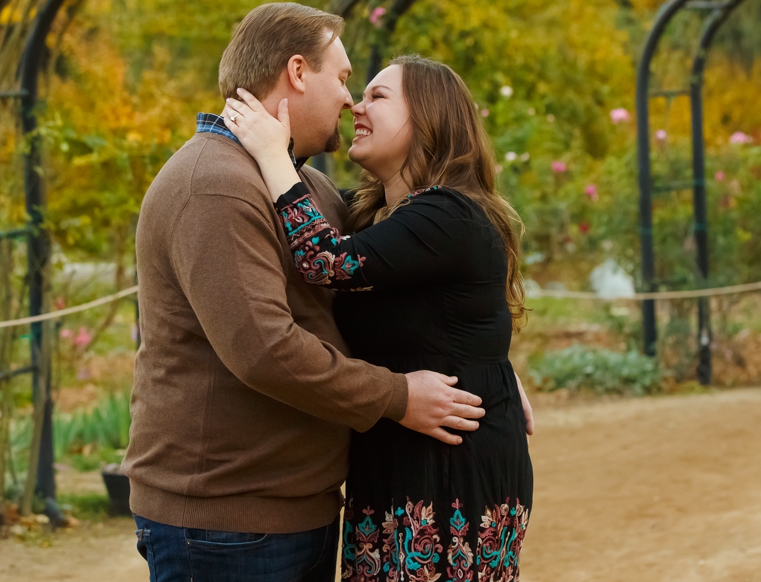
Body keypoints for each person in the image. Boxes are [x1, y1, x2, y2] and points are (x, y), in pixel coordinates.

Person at [122, 3, 488, 582]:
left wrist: (479, 360)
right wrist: (398, 396)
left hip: (295, 510)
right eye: (342, 78)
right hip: (226, 524)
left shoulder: (303, 184)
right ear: (296, 72)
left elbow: (382, 287)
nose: (350, 100)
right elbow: (265, 348)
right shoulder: (215, 184)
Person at [223, 53, 535, 582]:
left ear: (430, 117)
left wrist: (274, 154)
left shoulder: (450, 213)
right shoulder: (375, 216)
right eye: (358, 93)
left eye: (377, 96)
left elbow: (326, 260)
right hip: (392, 453)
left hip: (451, 462)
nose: (355, 106)